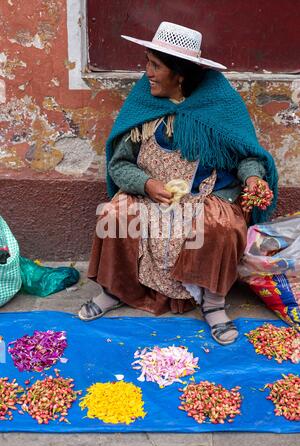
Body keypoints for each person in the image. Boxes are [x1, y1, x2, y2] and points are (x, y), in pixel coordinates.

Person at [79, 22, 278, 345]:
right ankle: (114, 290)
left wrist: (253, 177)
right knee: (114, 216)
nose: (148, 74)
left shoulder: (219, 105)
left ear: (180, 74)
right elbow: (120, 166)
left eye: (155, 66)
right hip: (151, 196)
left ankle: (212, 304)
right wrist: (146, 185)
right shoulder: (144, 103)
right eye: (147, 63)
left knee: (221, 224)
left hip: (203, 197)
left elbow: (247, 155)